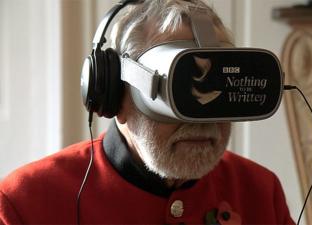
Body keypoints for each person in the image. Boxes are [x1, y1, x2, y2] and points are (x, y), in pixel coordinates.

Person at [0, 0, 295, 224]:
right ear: (115, 94)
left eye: (220, 87)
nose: (202, 120)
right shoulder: (26, 203)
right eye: (177, 90)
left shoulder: (259, 192)